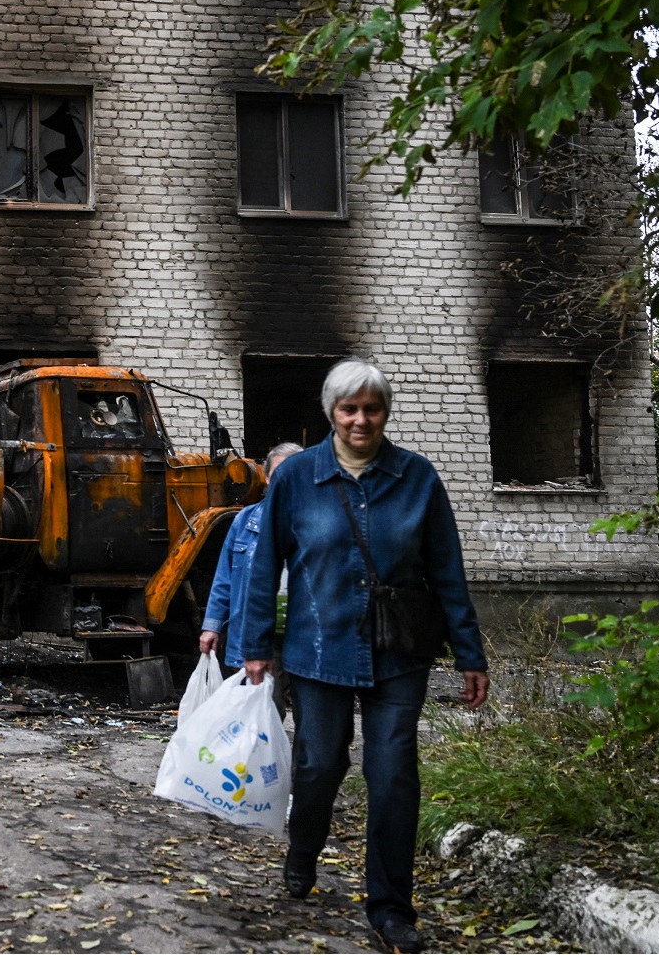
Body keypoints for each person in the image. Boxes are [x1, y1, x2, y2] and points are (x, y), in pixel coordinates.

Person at [237, 358, 489, 955]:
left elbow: (448, 573)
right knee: (321, 764)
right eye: (349, 409)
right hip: (316, 648)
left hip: (399, 652)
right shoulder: (297, 477)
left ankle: (391, 909)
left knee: (395, 775)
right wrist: (253, 647)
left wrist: (469, 652)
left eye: (371, 408)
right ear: (331, 413)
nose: (360, 419)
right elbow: (263, 563)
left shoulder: (418, 479)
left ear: (385, 414)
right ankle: (304, 849)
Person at [199, 441, 304, 670]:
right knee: (263, 702)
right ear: (267, 478)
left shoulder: (322, 520)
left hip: (307, 634)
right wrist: (212, 626)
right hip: (260, 633)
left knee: (309, 705)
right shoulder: (245, 521)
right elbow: (224, 578)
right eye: (279, 474)